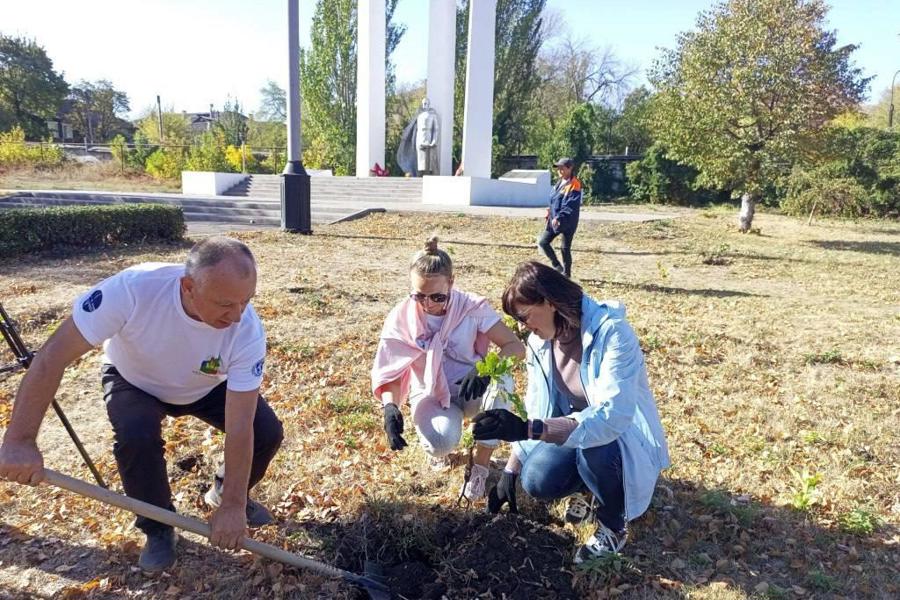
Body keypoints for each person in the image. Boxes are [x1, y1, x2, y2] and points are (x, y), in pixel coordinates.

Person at [0, 237, 283, 572]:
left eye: (245, 301)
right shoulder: (133, 290)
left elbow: (240, 426)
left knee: (265, 431)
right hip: (134, 378)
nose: (236, 316)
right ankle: (158, 528)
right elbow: (51, 358)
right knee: (136, 436)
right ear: (189, 287)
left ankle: (222, 493)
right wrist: (19, 440)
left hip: (205, 384)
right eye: (224, 304)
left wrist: (235, 504)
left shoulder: (246, 330)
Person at [472, 261, 669, 563]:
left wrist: (529, 429)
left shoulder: (612, 333)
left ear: (549, 302)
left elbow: (611, 416)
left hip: (618, 437)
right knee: (537, 480)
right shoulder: (542, 341)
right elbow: (539, 404)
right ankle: (590, 488)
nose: (525, 328)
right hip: (576, 433)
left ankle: (613, 526)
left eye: (525, 317)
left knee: (596, 449)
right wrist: (511, 470)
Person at [371, 237, 525, 500]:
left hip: (471, 386)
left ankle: (480, 468)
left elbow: (515, 347)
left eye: (437, 296)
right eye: (419, 295)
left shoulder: (471, 308)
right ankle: (440, 449)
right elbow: (392, 369)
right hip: (430, 392)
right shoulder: (402, 316)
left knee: (503, 384)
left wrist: (486, 370)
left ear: (451, 282)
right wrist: (390, 406)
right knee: (440, 443)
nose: (428, 304)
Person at [538, 157, 583, 278]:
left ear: (570, 168)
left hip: (567, 221)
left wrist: (558, 217)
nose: (559, 170)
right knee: (543, 242)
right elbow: (554, 200)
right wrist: (549, 211)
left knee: (565, 248)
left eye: (562, 167)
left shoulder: (575, 185)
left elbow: (569, 205)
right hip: (554, 220)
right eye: (558, 167)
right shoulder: (559, 182)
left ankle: (566, 274)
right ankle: (557, 266)